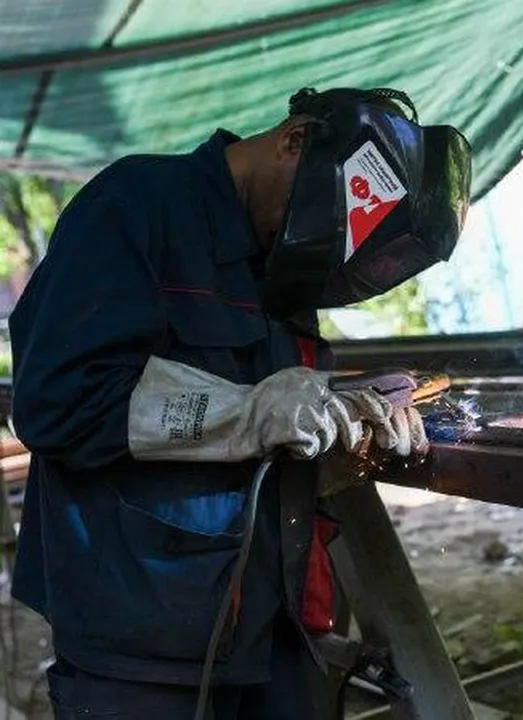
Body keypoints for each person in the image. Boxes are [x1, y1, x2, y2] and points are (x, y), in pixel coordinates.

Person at [7, 87, 471, 719]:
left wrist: (338, 422)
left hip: (271, 626)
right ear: (293, 140)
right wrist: (249, 412)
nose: (308, 246)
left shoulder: (280, 262)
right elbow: (59, 399)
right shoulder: (137, 205)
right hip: (142, 643)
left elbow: (269, 413)